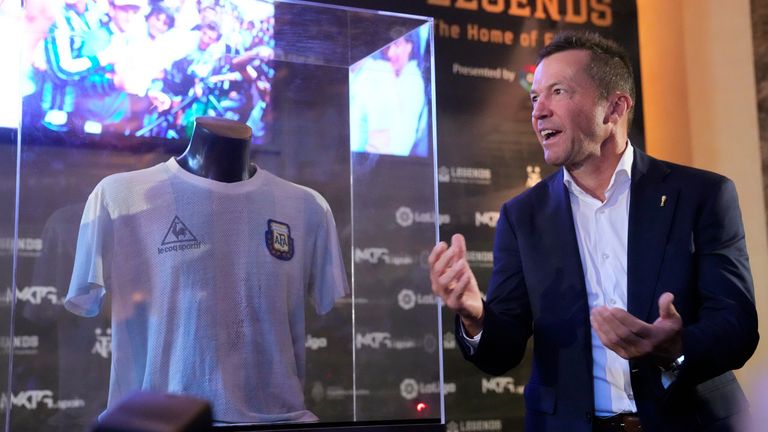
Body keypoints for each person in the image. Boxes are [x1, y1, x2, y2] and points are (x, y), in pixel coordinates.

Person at [429, 31, 758, 432]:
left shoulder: (702, 195)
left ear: (615, 107)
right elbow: (503, 352)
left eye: (558, 92)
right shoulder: (523, 217)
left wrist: (678, 346)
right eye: (535, 98)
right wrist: (474, 314)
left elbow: (738, 325)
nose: (538, 111)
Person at [65, 116, 349, 423]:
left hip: (279, 422)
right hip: (160, 424)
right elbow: (88, 301)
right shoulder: (119, 197)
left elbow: (324, 300)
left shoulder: (307, 207)